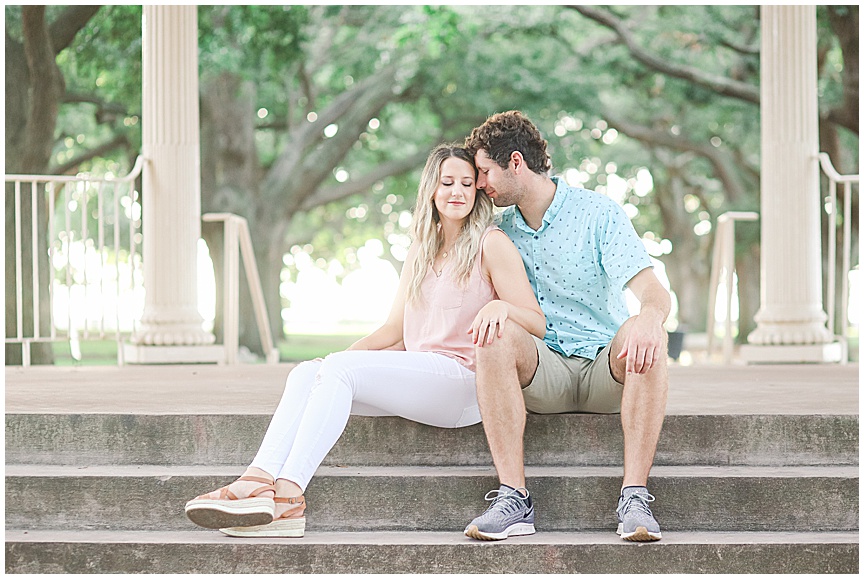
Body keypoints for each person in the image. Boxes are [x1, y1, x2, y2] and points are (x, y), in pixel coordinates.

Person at [184, 144, 545, 538]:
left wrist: (503, 310)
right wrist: (335, 362)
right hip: (424, 375)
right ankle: (256, 481)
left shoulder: (490, 243)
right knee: (309, 372)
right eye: (447, 182)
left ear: (477, 191)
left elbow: (536, 321)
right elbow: (393, 330)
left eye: (466, 183)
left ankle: (288, 497)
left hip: (464, 382)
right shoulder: (421, 250)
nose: (457, 191)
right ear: (431, 190)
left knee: (336, 370)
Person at [461, 111, 670, 542]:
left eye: (484, 172)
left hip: (604, 368)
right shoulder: (498, 233)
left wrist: (649, 319)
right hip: (542, 371)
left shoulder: (598, 213)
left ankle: (634, 497)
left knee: (647, 333)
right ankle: (514, 499)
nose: (480, 184)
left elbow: (653, 292)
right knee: (494, 336)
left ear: (515, 162)